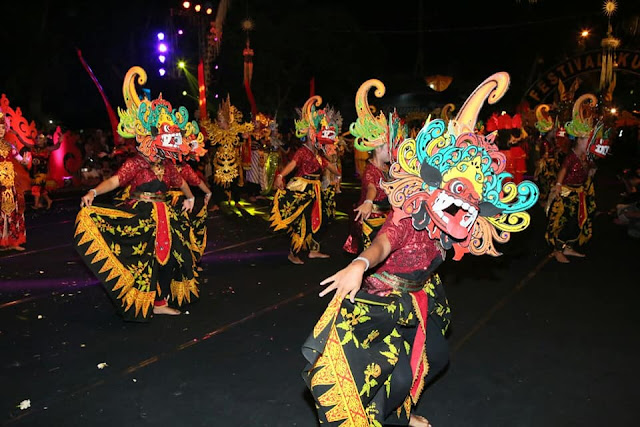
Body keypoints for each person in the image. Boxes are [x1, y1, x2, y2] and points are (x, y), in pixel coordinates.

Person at [302, 72, 539, 427]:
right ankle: (386, 415)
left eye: (473, 198)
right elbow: (384, 242)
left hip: (421, 295)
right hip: (383, 299)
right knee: (381, 373)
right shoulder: (407, 214)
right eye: (459, 191)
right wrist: (360, 264)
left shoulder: (461, 224)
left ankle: (401, 409)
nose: (465, 204)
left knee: (434, 359)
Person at [74, 66, 206, 321]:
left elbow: (180, 182)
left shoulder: (167, 165)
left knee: (172, 258)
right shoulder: (136, 163)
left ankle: (161, 300)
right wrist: (93, 190)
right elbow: (114, 181)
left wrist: (190, 197)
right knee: (143, 260)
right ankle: (148, 300)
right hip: (142, 217)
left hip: (166, 216)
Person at [270, 95, 341, 265]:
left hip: (315, 190)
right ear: (311, 134)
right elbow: (292, 165)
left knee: (320, 219)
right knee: (302, 221)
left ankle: (313, 251)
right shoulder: (302, 151)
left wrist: (337, 171)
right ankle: (293, 253)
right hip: (302, 189)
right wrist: (280, 175)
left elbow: (330, 167)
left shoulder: (318, 154)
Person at [342, 79, 403, 254]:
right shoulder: (371, 170)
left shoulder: (386, 168)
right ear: (378, 148)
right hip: (371, 219)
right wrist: (369, 201)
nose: (392, 152)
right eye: (389, 148)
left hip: (385, 217)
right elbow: (371, 188)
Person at [545, 94, 598, 263]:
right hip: (567, 193)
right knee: (563, 222)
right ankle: (557, 250)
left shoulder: (586, 158)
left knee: (576, 223)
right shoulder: (572, 156)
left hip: (579, 193)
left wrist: (591, 172)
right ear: (578, 141)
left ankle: (566, 247)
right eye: (586, 141)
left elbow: (589, 172)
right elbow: (563, 170)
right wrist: (559, 185)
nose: (588, 143)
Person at [0, 111, 29, 251]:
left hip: (10, 186)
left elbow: (20, 160)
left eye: (2, 128)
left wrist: (25, 161)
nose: (1, 130)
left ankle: (12, 241)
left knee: (12, 212)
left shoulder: (10, 146)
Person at [30, 133, 61, 210]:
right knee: (42, 189)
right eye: (37, 138)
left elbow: (56, 147)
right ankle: (48, 200)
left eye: (40, 138)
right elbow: (24, 142)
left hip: (42, 171)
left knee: (36, 187)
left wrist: (59, 142)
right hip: (35, 170)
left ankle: (36, 205)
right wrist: (17, 135)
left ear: (44, 141)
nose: (38, 140)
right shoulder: (34, 148)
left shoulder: (47, 149)